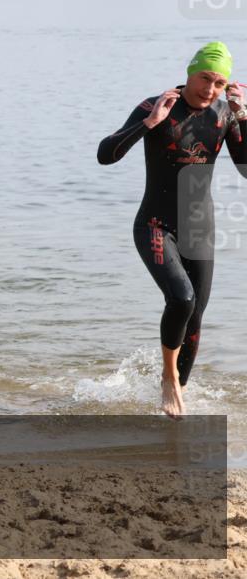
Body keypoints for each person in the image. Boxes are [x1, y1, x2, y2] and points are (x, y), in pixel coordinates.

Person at [98, 42, 247, 419]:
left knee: (195, 317)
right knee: (181, 298)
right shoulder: (157, 105)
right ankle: (168, 379)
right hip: (155, 223)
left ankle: (175, 403)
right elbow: (105, 154)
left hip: (200, 226)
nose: (210, 89)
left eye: (219, 82)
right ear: (189, 72)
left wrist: (243, 117)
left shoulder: (225, 113)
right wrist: (148, 125)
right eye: (204, 78)